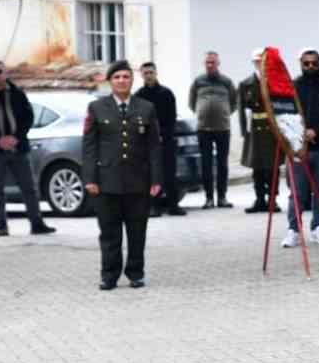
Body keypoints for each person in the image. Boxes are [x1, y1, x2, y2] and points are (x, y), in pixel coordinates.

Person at [83, 61, 162, 290]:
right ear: (110, 81)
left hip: (139, 180)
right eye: (117, 77)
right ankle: (109, 275)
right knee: (109, 233)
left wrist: (156, 179)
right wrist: (90, 178)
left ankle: (136, 273)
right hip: (107, 181)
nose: (121, 81)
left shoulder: (146, 108)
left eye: (126, 77)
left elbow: (154, 147)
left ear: (132, 80)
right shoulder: (96, 108)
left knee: (137, 231)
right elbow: (89, 146)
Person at [0, 62, 55, 237]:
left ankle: (36, 223)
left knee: (28, 187)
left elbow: (28, 117)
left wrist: (16, 137)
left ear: (5, 73)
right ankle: (2, 226)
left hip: (18, 147)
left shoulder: (17, 93)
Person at [281, 49, 319, 249]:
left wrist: (317, 131)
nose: (310, 67)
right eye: (306, 64)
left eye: (314, 63)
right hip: (298, 148)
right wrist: (297, 133)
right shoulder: (294, 87)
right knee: (297, 192)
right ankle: (293, 230)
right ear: (301, 64)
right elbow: (286, 116)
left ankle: (317, 227)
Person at [136, 62, 185, 218]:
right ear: (141, 75)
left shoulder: (166, 93)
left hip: (166, 138)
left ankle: (173, 206)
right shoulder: (138, 96)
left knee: (170, 172)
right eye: (145, 73)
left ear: (156, 73)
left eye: (151, 72)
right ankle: (154, 207)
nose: (149, 75)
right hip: (147, 141)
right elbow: (138, 120)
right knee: (151, 175)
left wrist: (164, 135)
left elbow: (172, 117)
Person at [188, 51, 236, 208]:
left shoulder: (226, 82)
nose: (210, 65)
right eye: (207, 62)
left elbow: (234, 102)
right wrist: (202, 113)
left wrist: (224, 113)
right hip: (203, 129)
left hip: (223, 128)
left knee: (222, 164)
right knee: (206, 164)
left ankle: (222, 197)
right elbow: (191, 102)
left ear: (218, 63)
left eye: (212, 62)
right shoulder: (198, 81)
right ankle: (209, 198)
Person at [239, 52, 278, 214]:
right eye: (256, 61)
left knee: (271, 168)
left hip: (271, 130)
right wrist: (244, 131)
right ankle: (260, 198)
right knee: (257, 168)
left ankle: (272, 200)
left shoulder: (274, 82)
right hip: (254, 129)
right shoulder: (246, 83)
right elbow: (242, 109)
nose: (259, 63)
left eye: (261, 61)